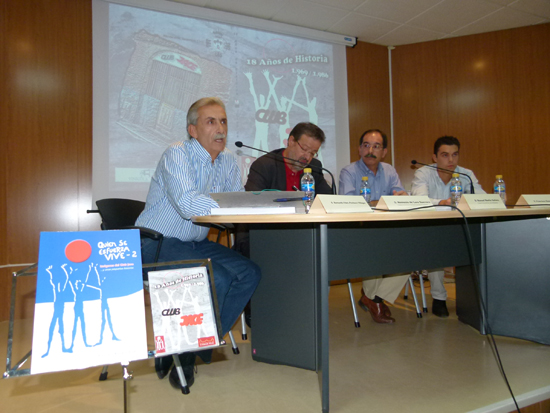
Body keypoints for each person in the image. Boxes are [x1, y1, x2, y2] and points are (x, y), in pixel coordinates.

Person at [136, 97, 261, 390]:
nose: (220, 128)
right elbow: (188, 204)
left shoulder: (228, 160)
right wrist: (231, 205)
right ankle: (185, 353)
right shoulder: (177, 154)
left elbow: (235, 203)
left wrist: (253, 206)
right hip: (154, 242)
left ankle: (188, 348)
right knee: (216, 277)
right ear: (193, 130)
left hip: (193, 243)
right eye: (211, 121)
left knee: (249, 273)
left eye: (223, 121)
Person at [339, 129, 408, 324]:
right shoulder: (349, 172)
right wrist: (383, 202)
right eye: (366, 145)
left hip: (387, 228)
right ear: (359, 149)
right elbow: (348, 203)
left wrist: (402, 197)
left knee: (411, 251)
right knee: (374, 247)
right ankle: (374, 300)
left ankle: (374, 298)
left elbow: (399, 197)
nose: (370, 150)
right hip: (359, 230)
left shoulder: (389, 170)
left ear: (384, 152)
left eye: (376, 146)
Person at [411, 135, 485, 317]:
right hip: (430, 228)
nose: (451, 160)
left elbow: (481, 198)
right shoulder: (423, 173)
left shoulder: (466, 174)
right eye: (445, 155)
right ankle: (439, 298)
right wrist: (443, 202)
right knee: (436, 245)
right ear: (434, 157)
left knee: (479, 242)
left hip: (459, 228)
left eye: (455, 154)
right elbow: (419, 201)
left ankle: (474, 298)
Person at [244, 122, 333, 194]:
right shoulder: (264, 165)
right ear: (291, 141)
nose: (307, 157)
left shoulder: (314, 166)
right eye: (304, 149)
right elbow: (252, 201)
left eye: (312, 153)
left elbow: (327, 199)